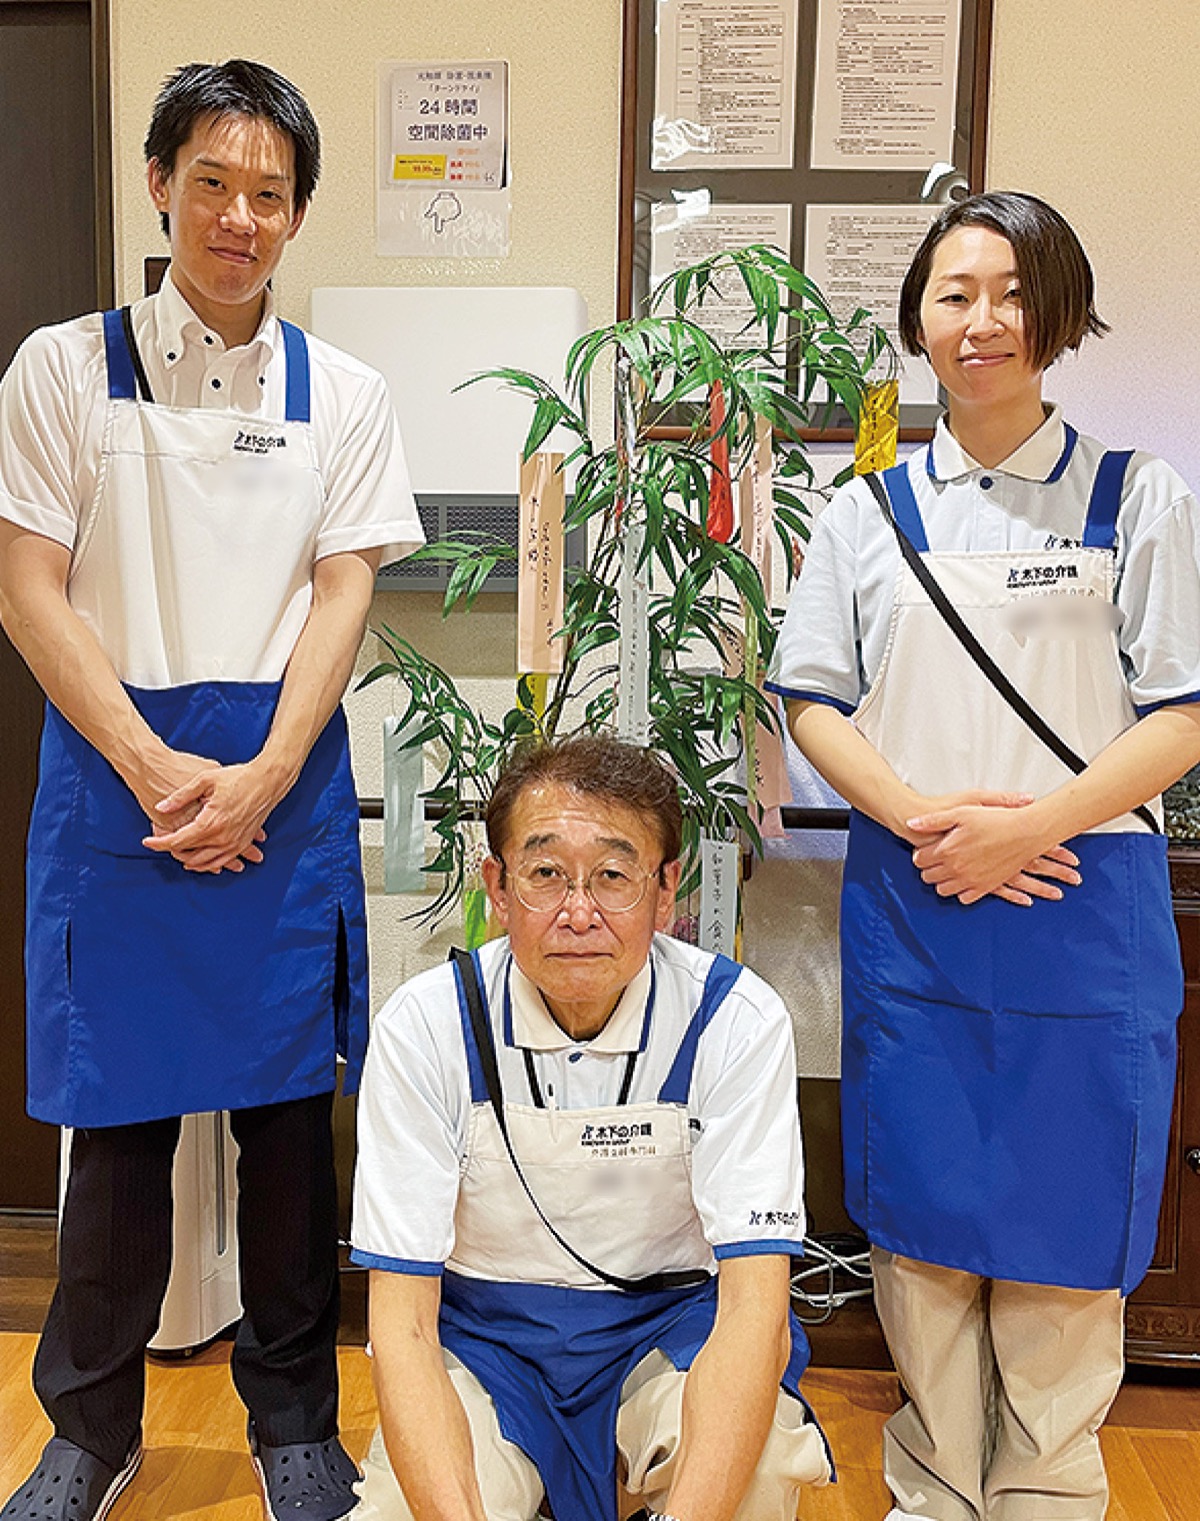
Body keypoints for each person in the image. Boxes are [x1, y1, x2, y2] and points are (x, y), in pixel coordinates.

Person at [0, 59, 422, 1521]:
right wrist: (152, 764)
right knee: (113, 1130)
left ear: (298, 213)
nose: (240, 216)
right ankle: (88, 1431)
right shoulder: (63, 369)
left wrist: (267, 774)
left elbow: (346, 589)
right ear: (160, 185)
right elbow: (28, 587)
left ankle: (295, 1423)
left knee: (289, 1130)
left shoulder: (344, 393)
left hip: (280, 786)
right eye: (213, 183)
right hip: (116, 777)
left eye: (269, 193)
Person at [767, 190, 1200, 1521]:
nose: (983, 319)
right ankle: (939, 1480)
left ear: (1059, 315)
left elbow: (1182, 714)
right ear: (919, 321)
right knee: (927, 1202)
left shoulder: (1139, 495)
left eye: (1012, 292)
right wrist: (923, 822)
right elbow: (811, 703)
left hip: (1085, 896)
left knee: (1074, 1201)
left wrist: (1027, 829)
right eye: (954, 294)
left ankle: (1050, 1487)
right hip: (920, 895)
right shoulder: (865, 512)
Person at [349, 736, 832, 1521]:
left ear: (666, 889)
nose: (579, 913)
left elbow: (755, 1308)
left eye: (613, 875)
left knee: (762, 1469)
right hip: (485, 1345)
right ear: (498, 888)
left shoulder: (732, 1020)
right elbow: (401, 1323)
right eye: (545, 874)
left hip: (670, 1331)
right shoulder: (428, 1026)